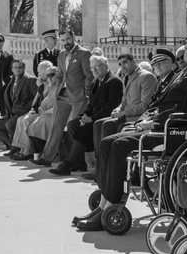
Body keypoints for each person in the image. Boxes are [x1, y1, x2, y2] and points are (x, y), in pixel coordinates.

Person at [74, 28, 187, 231]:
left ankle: (111, 206)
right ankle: (103, 205)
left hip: (177, 132)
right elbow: (161, 103)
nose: (185, 47)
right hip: (163, 125)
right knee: (107, 142)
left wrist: (153, 123)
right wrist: (148, 119)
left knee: (118, 146)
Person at [50, 55, 123, 176]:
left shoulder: (114, 81)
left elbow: (110, 107)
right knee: (72, 124)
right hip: (94, 116)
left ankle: (67, 164)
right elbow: (92, 104)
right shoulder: (97, 81)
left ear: (105, 66)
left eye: (97, 67)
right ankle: (79, 164)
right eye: (92, 68)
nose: (94, 70)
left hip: (105, 118)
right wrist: (86, 115)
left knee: (84, 130)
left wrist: (91, 118)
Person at [41, 29, 93, 164]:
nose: (66, 42)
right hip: (62, 95)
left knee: (73, 129)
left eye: (68, 39)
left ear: (74, 37)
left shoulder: (84, 53)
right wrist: (58, 87)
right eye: (63, 40)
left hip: (78, 96)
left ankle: (75, 162)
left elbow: (89, 75)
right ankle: (46, 158)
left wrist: (86, 93)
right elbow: (60, 74)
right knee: (55, 127)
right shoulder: (62, 54)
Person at [0, 60, 38, 154]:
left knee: (9, 125)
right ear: (12, 69)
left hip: (24, 112)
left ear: (24, 68)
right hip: (12, 113)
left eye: (20, 67)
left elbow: (36, 97)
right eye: (15, 67)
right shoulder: (11, 80)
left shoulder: (31, 80)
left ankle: (19, 147)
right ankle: (13, 146)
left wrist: (27, 107)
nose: (17, 70)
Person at [10, 60, 54, 159]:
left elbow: (45, 98)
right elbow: (36, 100)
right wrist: (33, 108)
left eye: (40, 73)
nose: (38, 75)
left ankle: (27, 150)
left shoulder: (50, 82)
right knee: (20, 119)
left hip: (46, 112)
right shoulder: (42, 82)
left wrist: (41, 87)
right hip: (39, 110)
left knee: (25, 121)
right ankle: (19, 147)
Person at [24, 67, 63, 164]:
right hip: (45, 114)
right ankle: (38, 155)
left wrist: (44, 112)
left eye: (52, 75)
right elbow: (40, 102)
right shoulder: (51, 87)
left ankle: (48, 155)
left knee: (35, 125)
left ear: (58, 74)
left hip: (57, 115)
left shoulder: (61, 86)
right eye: (47, 75)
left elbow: (60, 104)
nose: (49, 78)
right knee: (29, 125)